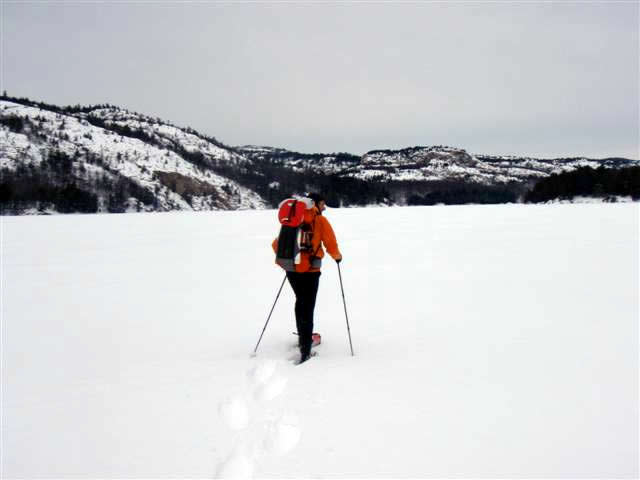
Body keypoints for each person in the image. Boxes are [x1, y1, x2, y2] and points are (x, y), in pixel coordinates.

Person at [272, 193, 342, 364]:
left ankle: (303, 338)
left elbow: (276, 244)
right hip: (311, 270)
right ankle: (306, 347)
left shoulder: (293, 219)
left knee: (300, 302)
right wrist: (337, 256)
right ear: (316, 204)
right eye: (323, 204)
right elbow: (330, 243)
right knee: (307, 305)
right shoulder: (320, 221)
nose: (324, 207)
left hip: (291, 269)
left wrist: (293, 260)